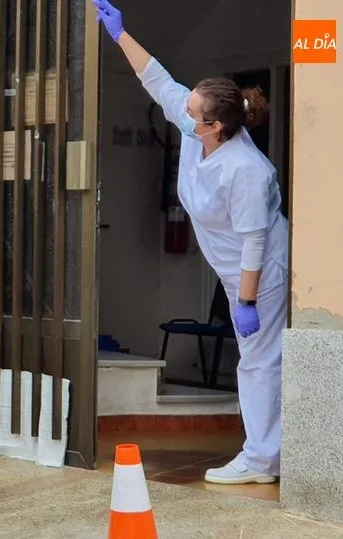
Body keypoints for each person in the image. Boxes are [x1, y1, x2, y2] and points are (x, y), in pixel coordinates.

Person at [94, 0, 288, 485]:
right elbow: (159, 81)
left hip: (260, 272)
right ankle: (268, 452)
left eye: (193, 109)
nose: (185, 109)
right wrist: (121, 34)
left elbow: (254, 241)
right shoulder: (197, 127)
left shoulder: (246, 169)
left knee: (259, 362)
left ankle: (263, 460)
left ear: (215, 125)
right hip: (234, 271)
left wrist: (244, 300)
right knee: (257, 361)